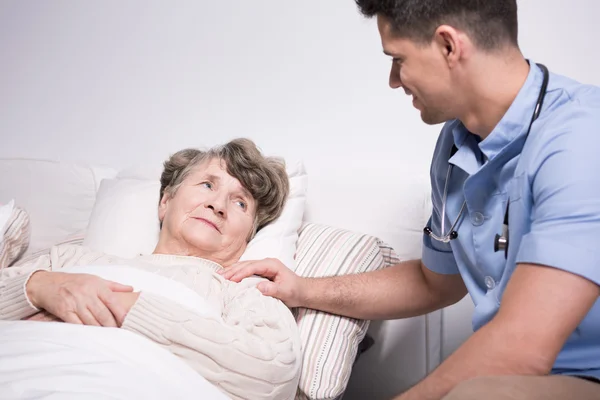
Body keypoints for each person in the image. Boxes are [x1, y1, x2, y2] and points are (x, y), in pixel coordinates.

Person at [221, 1, 600, 399]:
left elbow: (523, 347)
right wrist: (302, 289)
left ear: (449, 46)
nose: (393, 79)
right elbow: (433, 282)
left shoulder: (581, 138)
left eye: (398, 58)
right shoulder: (454, 150)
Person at [0, 138, 301, 400]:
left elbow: (274, 375)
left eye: (240, 204)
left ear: (249, 236)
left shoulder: (244, 292)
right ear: (166, 201)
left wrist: (123, 308)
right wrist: (37, 288)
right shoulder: (68, 260)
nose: (218, 205)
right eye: (208, 185)